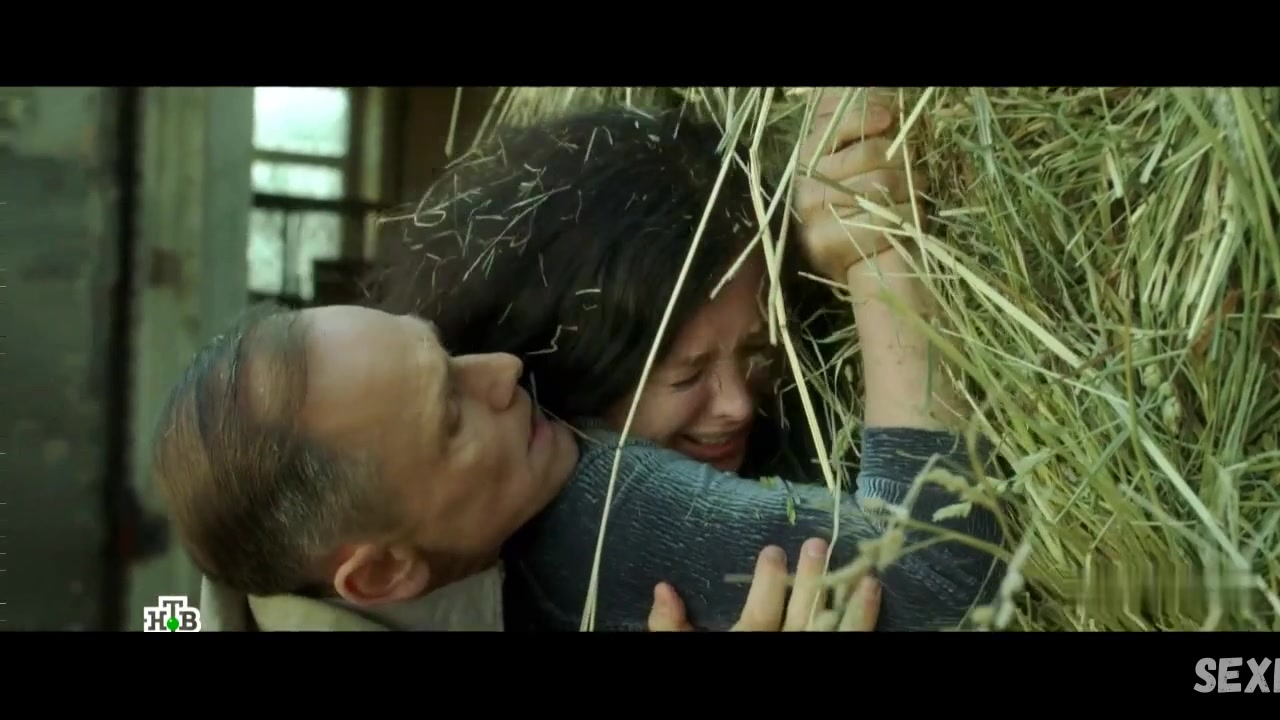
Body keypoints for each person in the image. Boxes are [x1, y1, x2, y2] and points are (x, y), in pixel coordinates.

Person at [154, 92, 1002, 632]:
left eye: (443, 353)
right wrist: (881, 256)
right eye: (450, 413)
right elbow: (937, 573)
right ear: (379, 572)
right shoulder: (584, 517)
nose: (501, 371)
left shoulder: (282, 559)